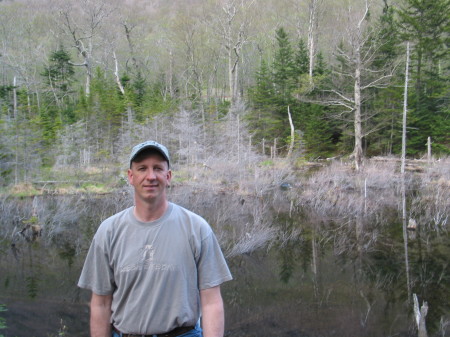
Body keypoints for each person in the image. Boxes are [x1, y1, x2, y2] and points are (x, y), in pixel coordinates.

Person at [78, 140, 232, 337]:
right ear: (131, 176)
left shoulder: (196, 228)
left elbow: (211, 302)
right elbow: (100, 304)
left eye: (158, 168)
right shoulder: (108, 232)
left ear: (168, 177)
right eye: (142, 168)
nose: (150, 176)